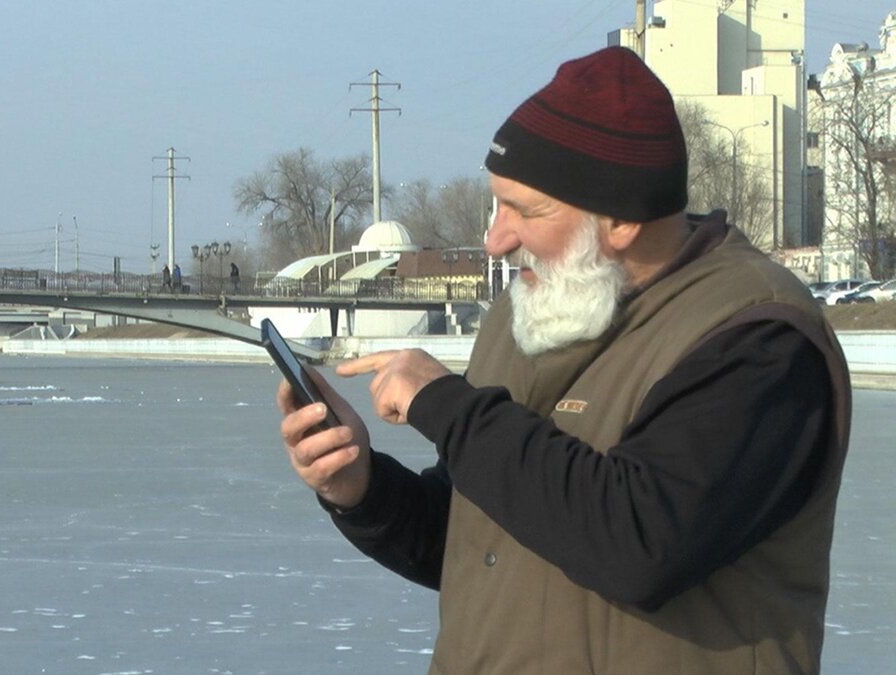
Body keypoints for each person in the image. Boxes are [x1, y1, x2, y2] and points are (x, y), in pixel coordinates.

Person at [275, 46, 851, 674]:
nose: (496, 239)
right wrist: (360, 488)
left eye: (526, 210)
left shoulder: (760, 343)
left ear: (621, 220)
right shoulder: (530, 314)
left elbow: (639, 543)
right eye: (497, 205)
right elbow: (477, 537)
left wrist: (449, 407)